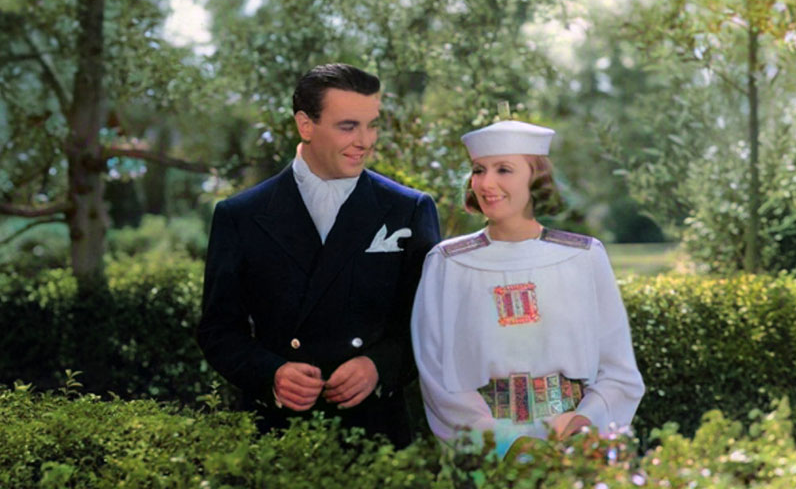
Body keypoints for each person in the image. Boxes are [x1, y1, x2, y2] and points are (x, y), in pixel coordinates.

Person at [197, 62, 441, 446]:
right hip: (277, 435)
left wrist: (379, 365)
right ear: (305, 125)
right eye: (348, 126)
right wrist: (271, 374)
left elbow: (430, 324)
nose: (365, 140)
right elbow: (218, 330)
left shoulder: (409, 209)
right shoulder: (240, 216)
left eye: (371, 124)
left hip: (378, 438)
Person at [411, 118, 644, 456]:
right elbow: (438, 377)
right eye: (479, 170)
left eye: (503, 169)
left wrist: (583, 427)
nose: (486, 183)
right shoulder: (448, 264)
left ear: (537, 179)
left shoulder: (583, 257)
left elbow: (617, 369)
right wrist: (507, 444)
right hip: (488, 450)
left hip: (576, 443)